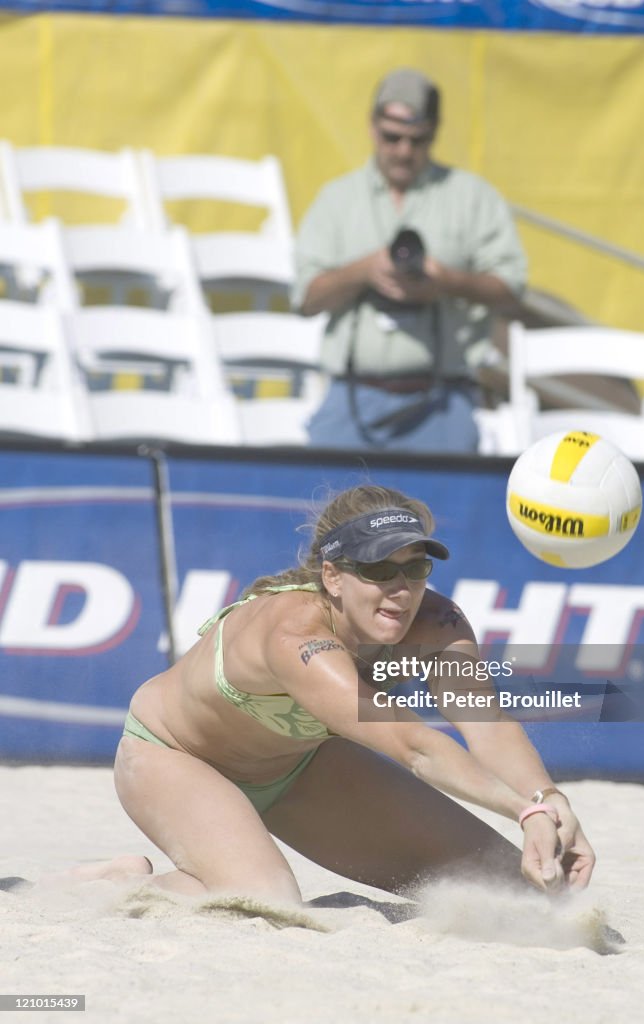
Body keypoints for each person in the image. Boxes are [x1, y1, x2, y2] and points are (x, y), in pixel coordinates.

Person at [101, 483, 594, 905]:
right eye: (379, 570)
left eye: (416, 567)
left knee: (518, 891)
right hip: (176, 757)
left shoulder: (437, 623)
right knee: (264, 899)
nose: (400, 589)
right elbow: (415, 747)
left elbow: (485, 722)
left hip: (299, 768)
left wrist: (549, 802)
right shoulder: (295, 634)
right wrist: (524, 813)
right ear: (333, 575)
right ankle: (109, 886)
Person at [293, 68, 528, 454]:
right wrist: (364, 271)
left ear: (434, 133)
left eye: (417, 140)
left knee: (449, 514)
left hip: (443, 403)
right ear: (372, 128)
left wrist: (447, 282)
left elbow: (512, 290)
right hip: (351, 401)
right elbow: (305, 298)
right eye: (392, 137)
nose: (403, 151)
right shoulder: (336, 199)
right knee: (332, 512)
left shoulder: (471, 197)